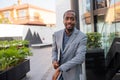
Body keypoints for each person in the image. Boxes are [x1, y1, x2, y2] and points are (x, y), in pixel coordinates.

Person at [52, 10, 87, 80]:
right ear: (63, 20)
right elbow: (54, 50)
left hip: (72, 74)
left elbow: (80, 58)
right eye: (67, 18)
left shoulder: (82, 37)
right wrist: (54, 60)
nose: (69, 21)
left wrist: (60, 68)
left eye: (72, 19)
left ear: (76, 21)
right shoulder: (56, 34)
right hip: (60, 75)